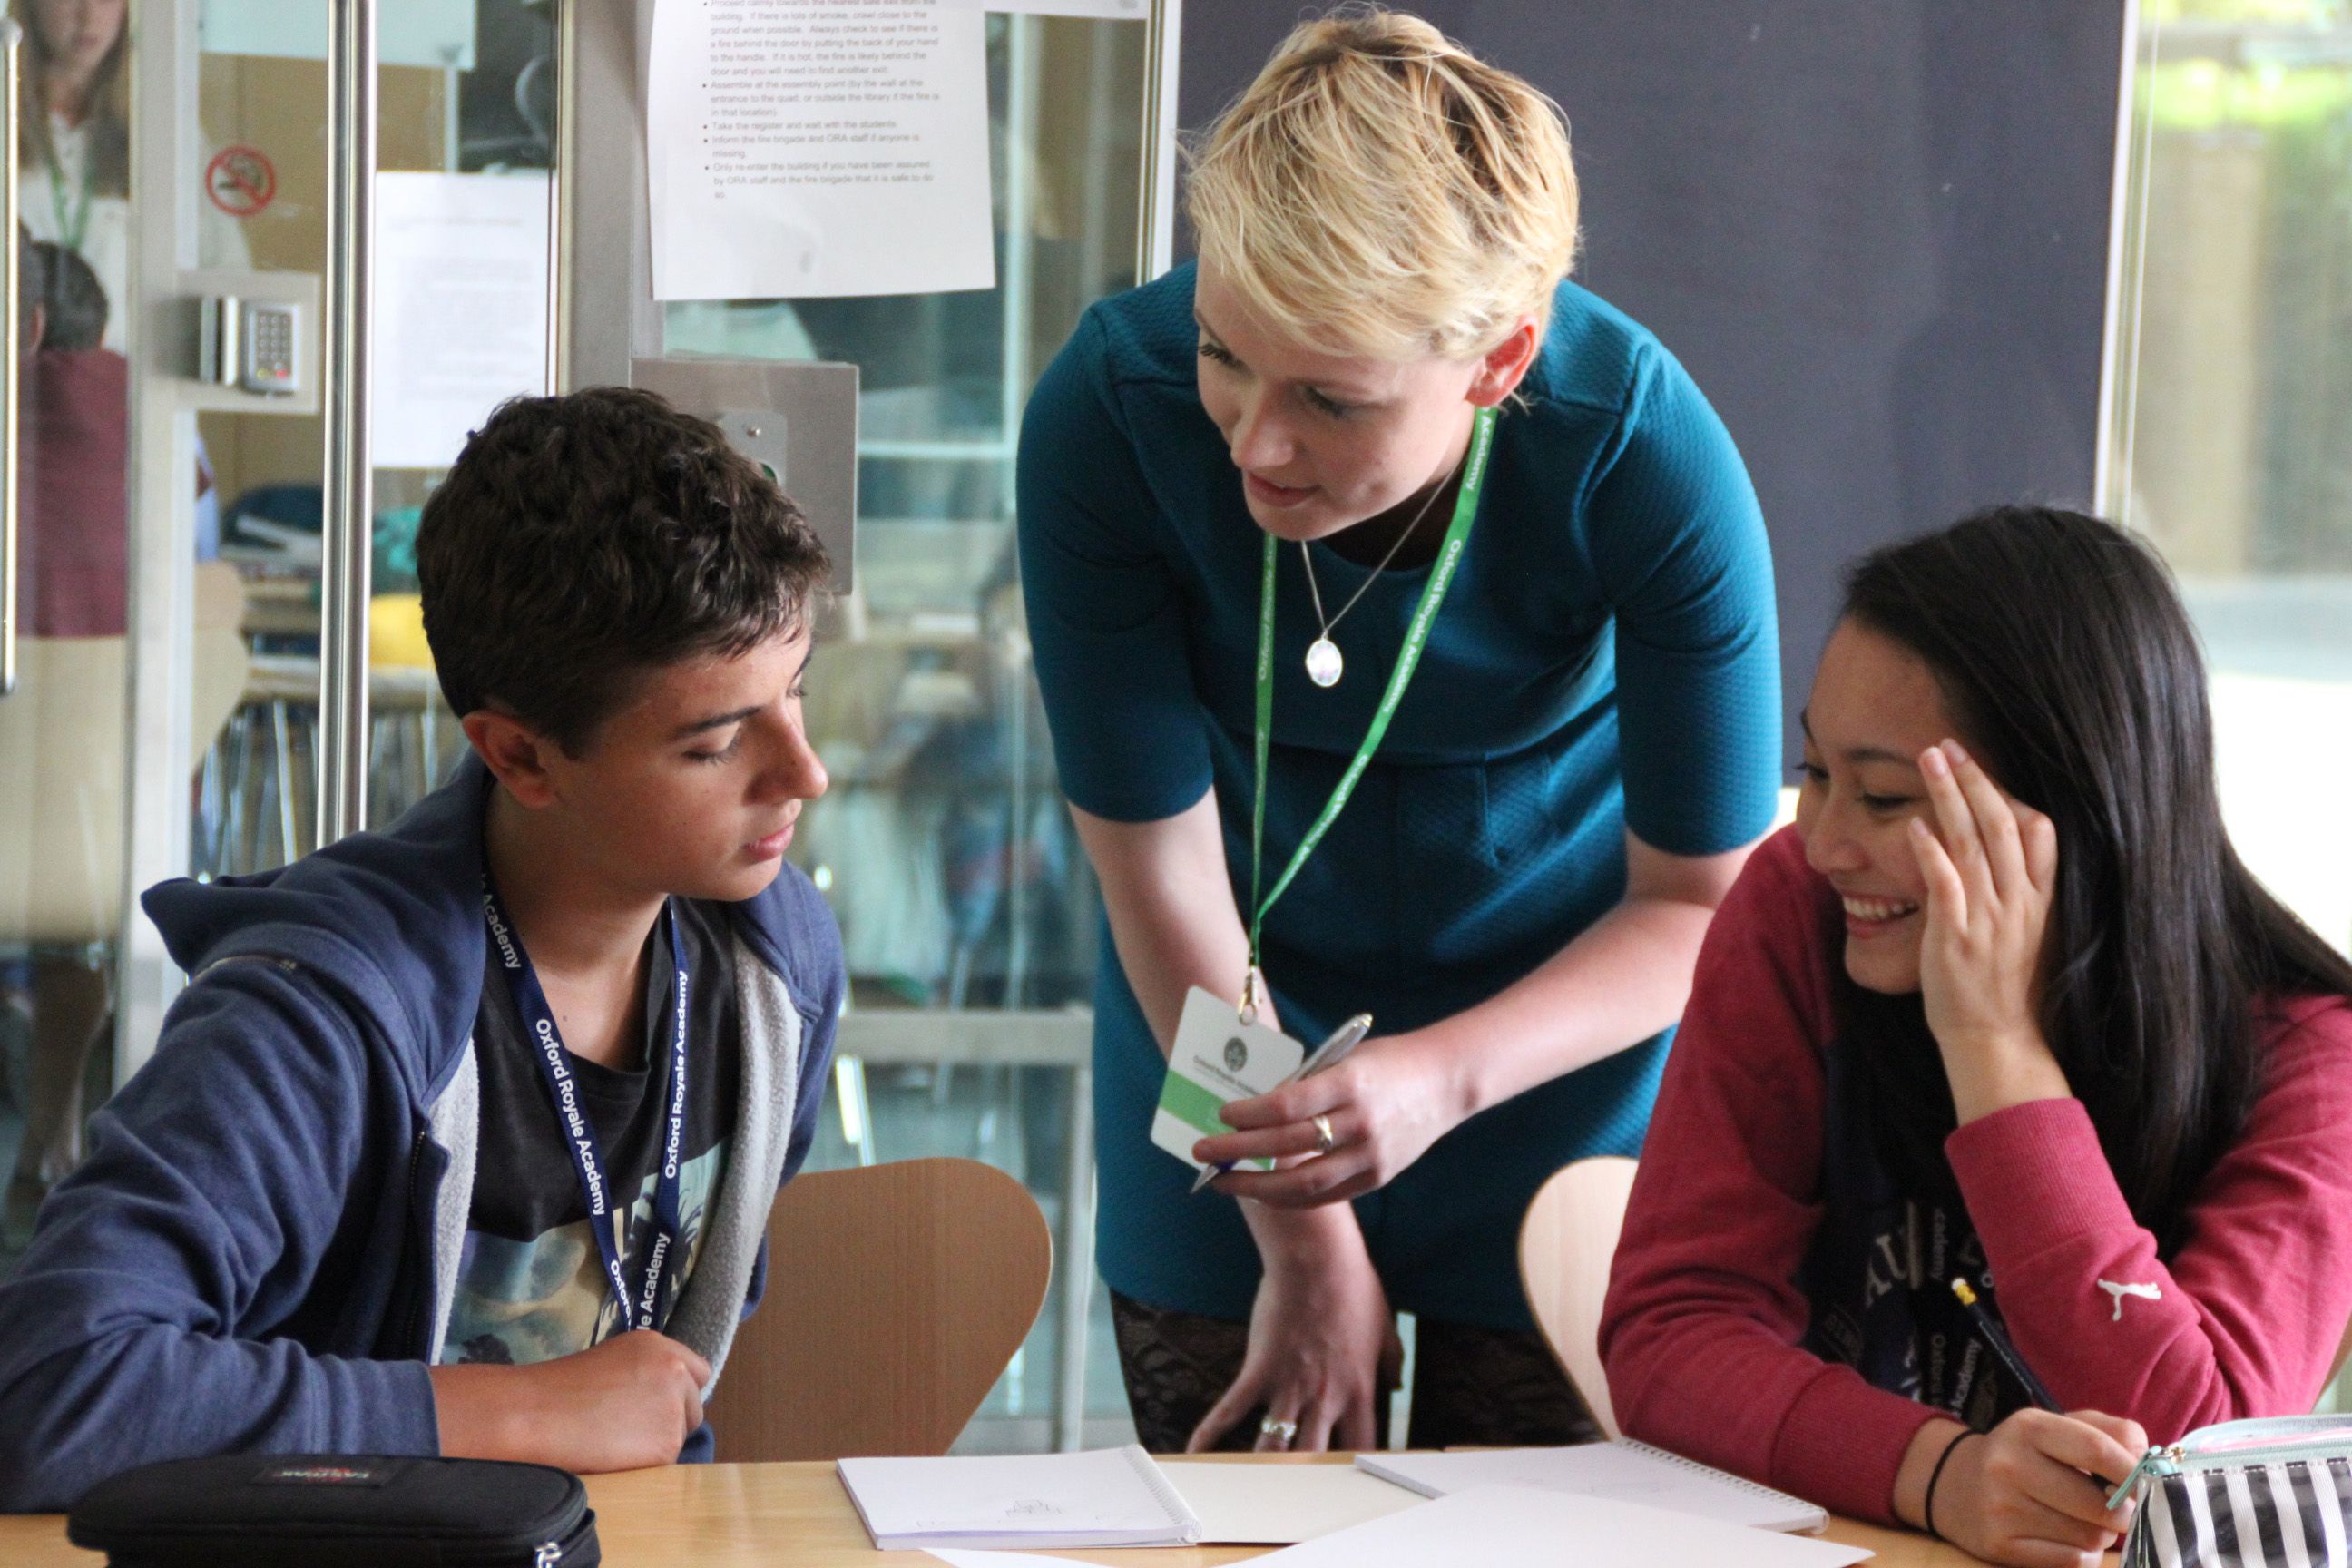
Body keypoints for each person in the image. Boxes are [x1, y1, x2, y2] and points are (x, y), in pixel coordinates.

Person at [1017, 10, 1780, 1454]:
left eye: (1331, 397)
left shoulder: (1640, 452)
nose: (1255, 442)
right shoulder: (1107, 413)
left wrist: (1442, 1076)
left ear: (1498, 361)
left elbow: (1703, 903)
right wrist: (1305, 1240)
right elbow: (1156, 869)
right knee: (1241, 1529)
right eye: (1224, 354)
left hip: (1557, 1051)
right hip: (1219, 1025)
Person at [0, 387, 845, 1510]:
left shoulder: (777, 969)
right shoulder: (316, 1018)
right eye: (719, 741)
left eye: (796, 694)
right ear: (521, 757)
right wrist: (515, 1413)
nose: (804, 773)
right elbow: (52, 1388)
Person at [1600, 506, 2352, 1566]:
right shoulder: (1796, 919)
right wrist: (1939, 1473)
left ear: (2070, 812)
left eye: (1885, 798)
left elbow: (2201, 1462)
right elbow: (1669, 1334)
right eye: (1817, 773)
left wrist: (1997, 1053)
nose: (1823, 842)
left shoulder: (2312, 1055)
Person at [13, 0, 250, 352]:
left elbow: (228, 272)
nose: (88, 15)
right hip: (16, 371)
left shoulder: (168, 131)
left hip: (125, 377)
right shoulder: (7, 116)